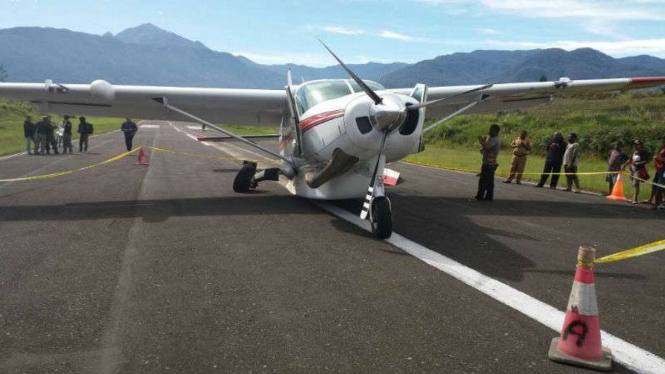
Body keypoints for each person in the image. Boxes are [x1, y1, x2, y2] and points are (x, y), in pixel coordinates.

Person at [475, 123, 501, 201]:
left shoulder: (495, 140)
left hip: (489, 163)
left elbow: (488, 147)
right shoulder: (491, 139)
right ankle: (489, 196)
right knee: (489, 181)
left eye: (491, 130)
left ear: (495, 131)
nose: (489, 131)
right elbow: (484, 149)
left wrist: (481, 141)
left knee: (483, 181)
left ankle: (480, 196)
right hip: (488, 162)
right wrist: (483, 146)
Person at [622, 140, 650, 204]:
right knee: (633, 184)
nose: (635, 145)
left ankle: (635, 199)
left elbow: (646, 161)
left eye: (637, 144)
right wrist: (624, 165)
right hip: (632, 169)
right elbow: (630, 159)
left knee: (635, 184)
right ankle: (633, 198)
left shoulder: (643, 152)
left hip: (638, 170)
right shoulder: (634, 151)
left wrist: (638, 163)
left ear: (640, 145)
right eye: (634, 144)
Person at [646, 137, 665, 210]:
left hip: (663, 170)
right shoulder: (662, 149)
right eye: (662, 141)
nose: (662, 142)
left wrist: (657, 158)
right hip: (659, 169)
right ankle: (657, 204)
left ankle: (658, 204)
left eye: (663, 141)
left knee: (660, 187)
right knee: (657, 186)